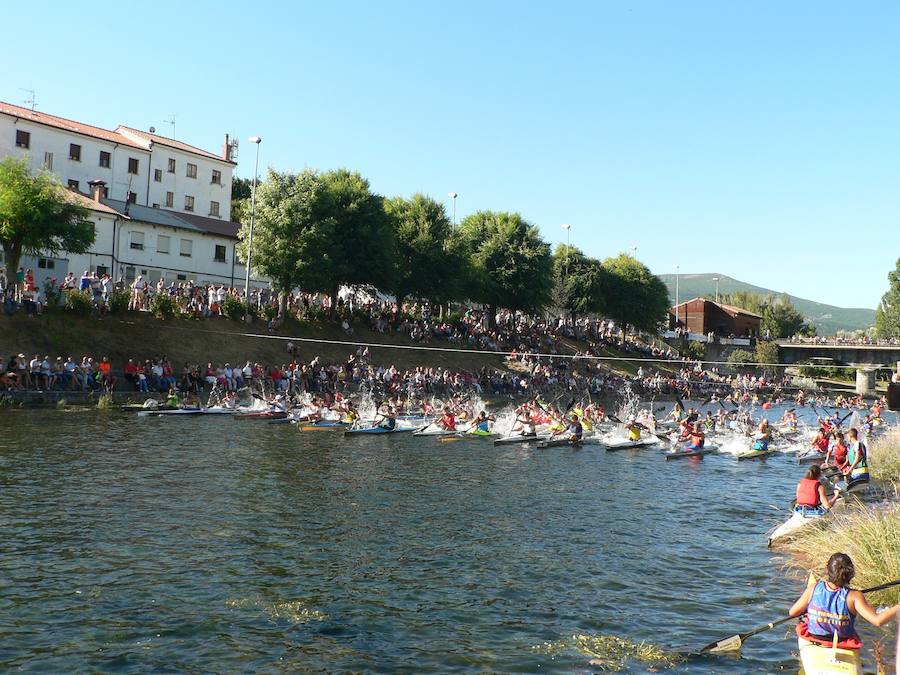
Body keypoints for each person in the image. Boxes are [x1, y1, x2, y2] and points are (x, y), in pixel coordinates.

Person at [789, 553, 899, 648]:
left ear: (828, 571)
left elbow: (793, 612)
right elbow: (878, 621)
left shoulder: (813, 588)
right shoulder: (855, 596)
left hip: (814, 637)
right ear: (851, 574)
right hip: (842, 641)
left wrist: (808, 609)